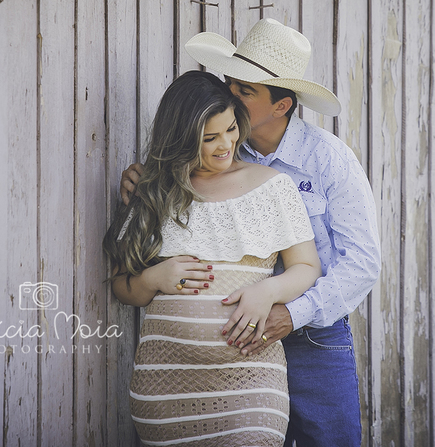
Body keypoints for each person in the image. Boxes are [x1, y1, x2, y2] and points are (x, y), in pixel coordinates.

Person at [122, 19, 382, 447]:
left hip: (311, 331)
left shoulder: (327, 159)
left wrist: (289, 313)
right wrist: (143, 179)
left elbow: (362, 263)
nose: (229, 95)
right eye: (230, 83)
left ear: (281, 106)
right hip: (218, 359)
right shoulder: (217, 148)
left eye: (244, 90)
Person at [104, 70, 322, 446]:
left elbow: (307, 267)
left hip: (251, 380)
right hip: (165, 386)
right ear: (181, 139)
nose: (226, 144)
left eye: (231, 129)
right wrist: (153, 279)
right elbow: (123, 287)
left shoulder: (272, 186)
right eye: (210, 138)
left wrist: (268, 291)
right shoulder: (153, 191)